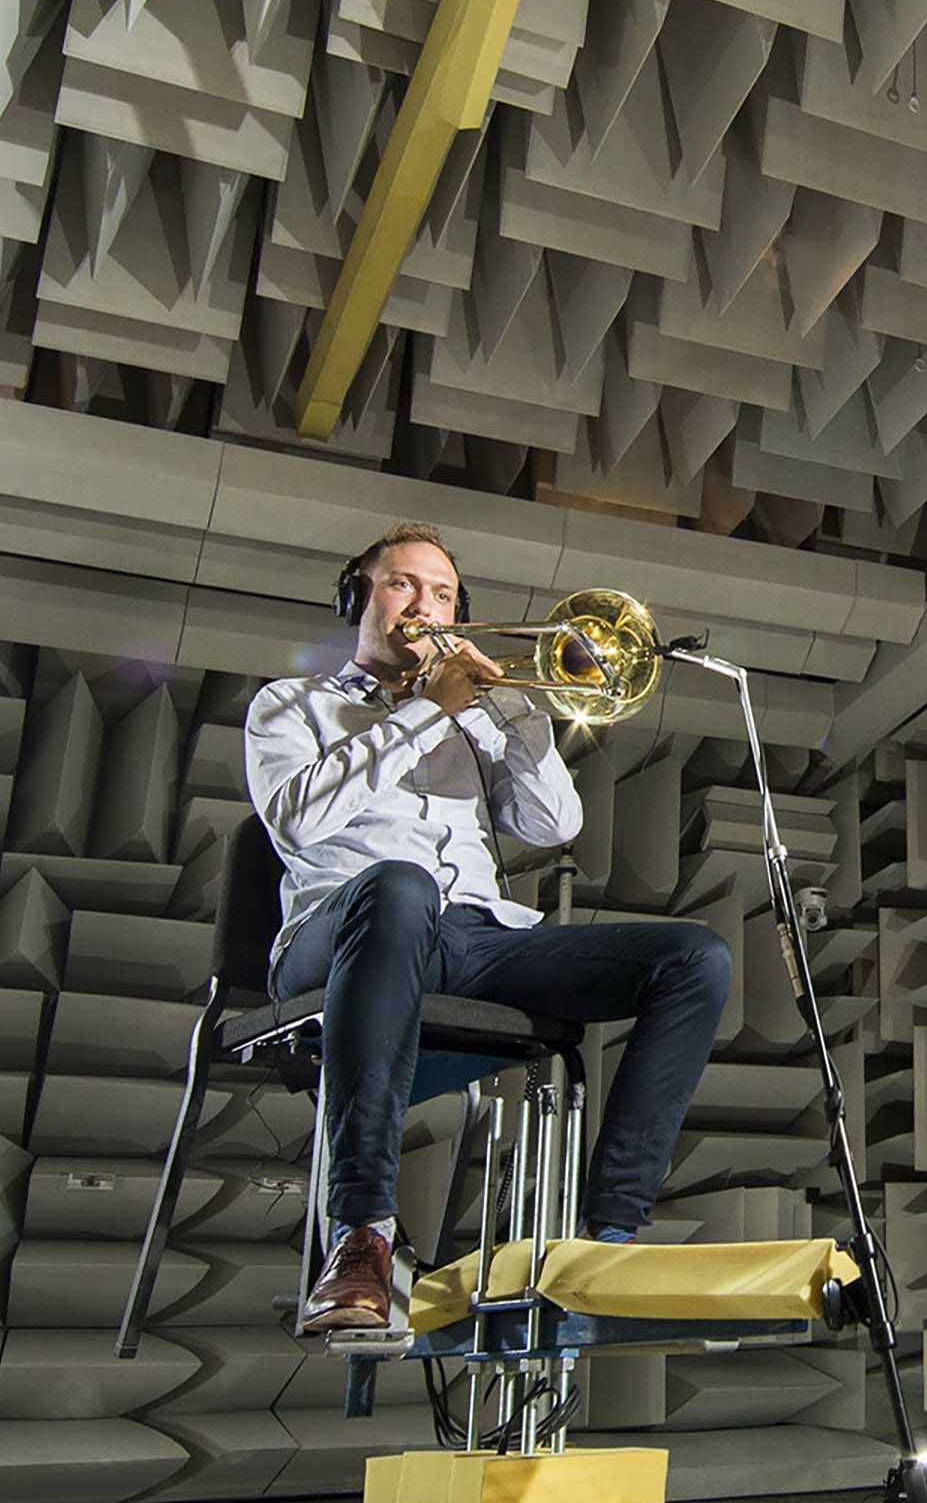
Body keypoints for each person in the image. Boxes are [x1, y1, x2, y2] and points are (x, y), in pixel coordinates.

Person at [244, 521, 731, 1333]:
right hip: (338, 941)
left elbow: (553, 825)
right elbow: (297, 822)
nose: (423, 605)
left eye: (441, 593)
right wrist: (424, 715)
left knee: (696, 956)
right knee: (398, 886)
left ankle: (608, 1237)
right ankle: (359, 1235)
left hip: (469, 940)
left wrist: (517, 719)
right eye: (402, 584)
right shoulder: (293, 705)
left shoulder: (475, 723)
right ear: (357, 597)